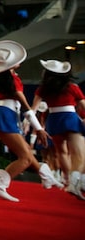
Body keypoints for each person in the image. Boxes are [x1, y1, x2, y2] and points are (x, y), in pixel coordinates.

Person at [0, 40, 62, 201]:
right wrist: (38, 128)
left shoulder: (2, 79)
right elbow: (25, 106)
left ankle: (46, 177)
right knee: (25, 158)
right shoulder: (12, 80)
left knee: (27, 155)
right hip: (6, 116)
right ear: (11, 64)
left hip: (3, 116)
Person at [31, 59, 85, 200]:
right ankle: (74, 183)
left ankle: (67, 179)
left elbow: (32, 110)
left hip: (53, 120)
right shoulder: (72, 86)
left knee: (61, 152)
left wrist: (34, 126)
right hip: (70, 118)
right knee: (79, 154)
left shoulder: (42, 89)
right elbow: (83, 106)